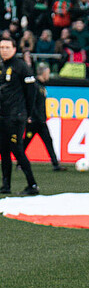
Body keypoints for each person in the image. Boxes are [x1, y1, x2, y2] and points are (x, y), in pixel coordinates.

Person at [0, 38, 39, 195]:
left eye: (7, 47)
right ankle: (6, 185)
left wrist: (28, 113)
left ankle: (33, 185)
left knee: (17, 149)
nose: (4, 50)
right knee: (3, 150)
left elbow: (32, 91)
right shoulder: (2, 66)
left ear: (14, 49)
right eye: (1, 47)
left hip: (16, 115)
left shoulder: (21, 66)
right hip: (2, 115)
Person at [23, 65, 64, 172]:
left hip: (41, 121)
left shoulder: (41, 86)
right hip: (34, 121)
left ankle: (55, 164)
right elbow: (31, 102)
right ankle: (20, 162)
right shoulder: (35, 86)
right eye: (48, 73)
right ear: (44, 73)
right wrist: (31, 116)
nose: (48, 75)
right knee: (26, 142)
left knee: (48, 141)